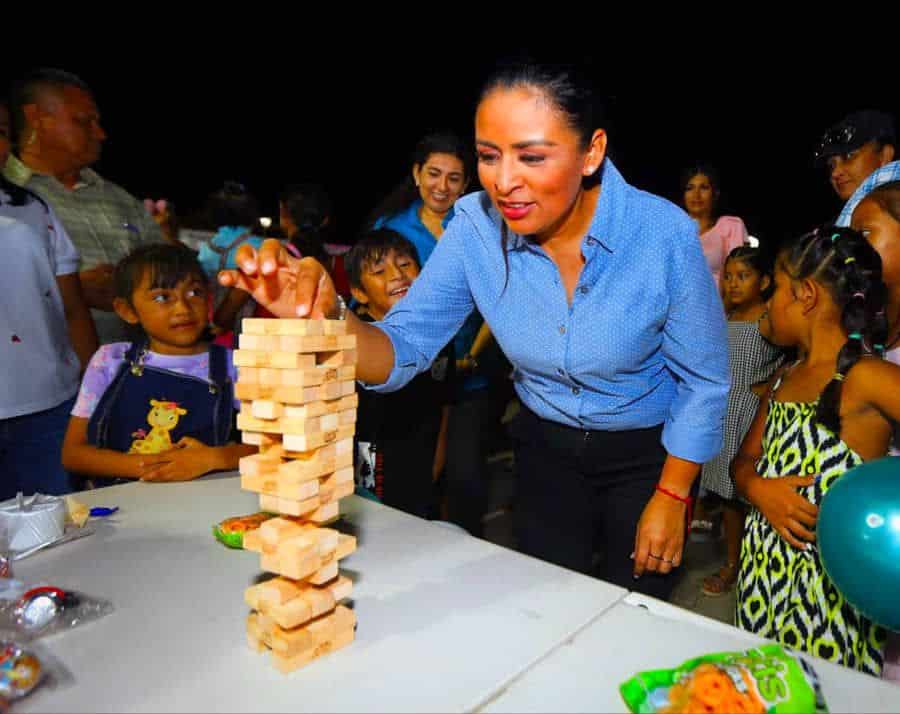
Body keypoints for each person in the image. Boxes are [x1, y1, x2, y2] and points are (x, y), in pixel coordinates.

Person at [220, 60, 730, 598]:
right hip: (545, 452)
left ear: (592, 152)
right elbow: (401, 348)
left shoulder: (662, 234)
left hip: (647, 457)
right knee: (550, 605)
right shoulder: (474, 230)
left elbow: (704, 381)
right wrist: (328, 316)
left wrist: (674, 494)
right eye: (488, 156)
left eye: (531, 157)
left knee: (637, 612)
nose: (504, 181)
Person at [734, 225, 900, 676]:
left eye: (777, 289)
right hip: (763, 577)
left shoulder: (867, 377)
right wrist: (756, 487)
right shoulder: (785, 378)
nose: (767, 302)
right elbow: (743, 461)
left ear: (805, 295)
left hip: (830, 596)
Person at [371, 131, 497, 535]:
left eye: (454, 178)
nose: (442, 187)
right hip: (413, 376)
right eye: (433, 174)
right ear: (416, 174)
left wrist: (473, 355)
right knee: (410, 475)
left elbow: (496, 298)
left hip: (470, 375)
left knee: (466, 478)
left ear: (467, 183)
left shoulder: (481, 229)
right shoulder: (391, 229)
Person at [62, 244, 255, 484]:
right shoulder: (110, 361)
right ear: (127, 310)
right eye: (162, 297)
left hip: (202, 503)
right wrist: (157, 466)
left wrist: (214, 459)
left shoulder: (233, 365)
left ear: (209, 297)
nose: (183, 308)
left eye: (194, 292)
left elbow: (270, 446)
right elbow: (73, 454)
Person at [3, 68, 166, 344]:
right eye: (83, 121)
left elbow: (169, 273)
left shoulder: (120, 199)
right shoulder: (10, 196)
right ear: (36, 118)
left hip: (129, 369)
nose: (100, 133)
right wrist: (69, 290)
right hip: (38, 374)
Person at [0, 98, 98, 500]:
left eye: (3, 131)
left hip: (47, 412)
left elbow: (73, 310)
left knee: (58, 544)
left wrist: (95, 398)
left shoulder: (33, 211)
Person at [347, 228, 454, 519]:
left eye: (405, 264)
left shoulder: (441, 335)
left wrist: (437, 460)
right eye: (379, 271)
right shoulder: (354, 339)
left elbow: (443, 402)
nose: (397, 275)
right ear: (359, 293)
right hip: (369, 464)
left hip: (420, 459)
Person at [697, 247, 783, 597]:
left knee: (747, 495)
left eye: (742, 276)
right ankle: (734, 561)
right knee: (729, 494)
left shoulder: (769, 318)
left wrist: (771, 384)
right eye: (729, 276)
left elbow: (797, 355)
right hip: (726, 415)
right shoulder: (728, 317)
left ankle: (747, 564)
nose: (733, 284)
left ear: (763, 282)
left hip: (753, 418)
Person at [813, 109, 899, 227]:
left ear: (885, 155)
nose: (835, 173)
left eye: (848, 156)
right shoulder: (829, 233)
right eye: (831, 165)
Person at [681, 163, 748, 290]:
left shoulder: (731, 226)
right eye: (690, 188)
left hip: (719, 306)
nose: (696, 195)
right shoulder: (673, 231)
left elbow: (738, 278)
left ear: (715, 193)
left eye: (704, 188)